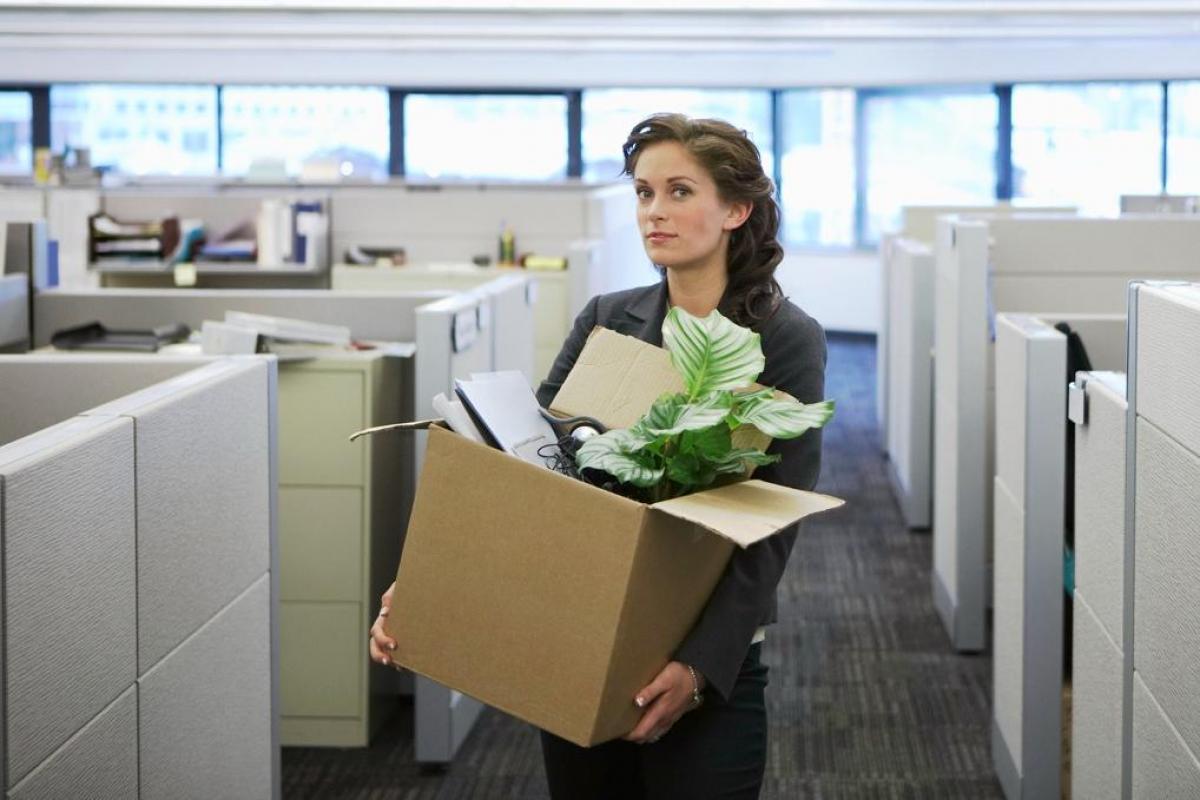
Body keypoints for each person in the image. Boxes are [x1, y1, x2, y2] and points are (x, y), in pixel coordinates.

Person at [369, 113, 826, 799]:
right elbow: (530, 477)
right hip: (582, 636)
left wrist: (699, 668)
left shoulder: (783, 339)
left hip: (707, 655)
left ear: (736, 209)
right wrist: (433, 580)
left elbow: (770, 524)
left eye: (679, 192)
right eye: (644, 193)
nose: (654, 213)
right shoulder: (607, 319)